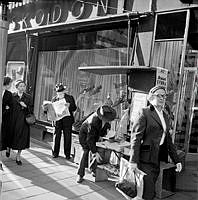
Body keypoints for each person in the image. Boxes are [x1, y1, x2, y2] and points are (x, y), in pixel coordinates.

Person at [129, 85, 182, 200]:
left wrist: (176, 160)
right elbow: (136, 138)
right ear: (151, 97)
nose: (162, 98)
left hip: (157, 158)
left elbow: (168, 140)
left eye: (164, 96)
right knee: (148, 192)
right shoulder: (145, 112)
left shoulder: (165, 116)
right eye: (159, 96)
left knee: (148, 191)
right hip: (145, 159)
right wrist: (133, 160)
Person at [76, 105, 116, 183]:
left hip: (94, 136)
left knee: (99, 151)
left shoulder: (107, 122)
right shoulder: (93, 122)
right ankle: (80, 174)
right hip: (85, 136)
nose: (109, 121)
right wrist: (94, 152)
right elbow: (89, 140)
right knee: (85, 152)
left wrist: (104, 136)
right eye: (107, 120)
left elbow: (104, 131)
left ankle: (93, 169)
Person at [11, 80, 34, 165]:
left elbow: (31, 109)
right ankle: (9, 148)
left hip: (23, 121)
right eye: (20, 86)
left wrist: (26, 106)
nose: (22, 88)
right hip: (13, 120)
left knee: (21, 139)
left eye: (24, 86)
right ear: (16, 87)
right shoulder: (12, 96)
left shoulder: (28, 97)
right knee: (11, 136)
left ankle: (18, 156)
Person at [52, 83, 77, 160]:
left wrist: (69, 106)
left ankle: (67, 154)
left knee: (67, 136)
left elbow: (74, 108)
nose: (60, 93)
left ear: (64, 91)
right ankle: (55, 153)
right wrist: (46, 109)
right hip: (58, 120)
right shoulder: (54, 99)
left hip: (67, 120)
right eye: (58, 92)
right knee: (56, 136)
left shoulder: (70, 98)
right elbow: (51, 110)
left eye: (61, 91)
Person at [0, 77, 13, 169]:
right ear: (7, 84)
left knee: (2, 138)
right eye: (10, 84)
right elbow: (6, 107)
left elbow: (10, 107)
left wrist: (4, 111)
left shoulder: (9, 94)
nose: (11, 85)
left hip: (4, 120)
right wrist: (6, 108)